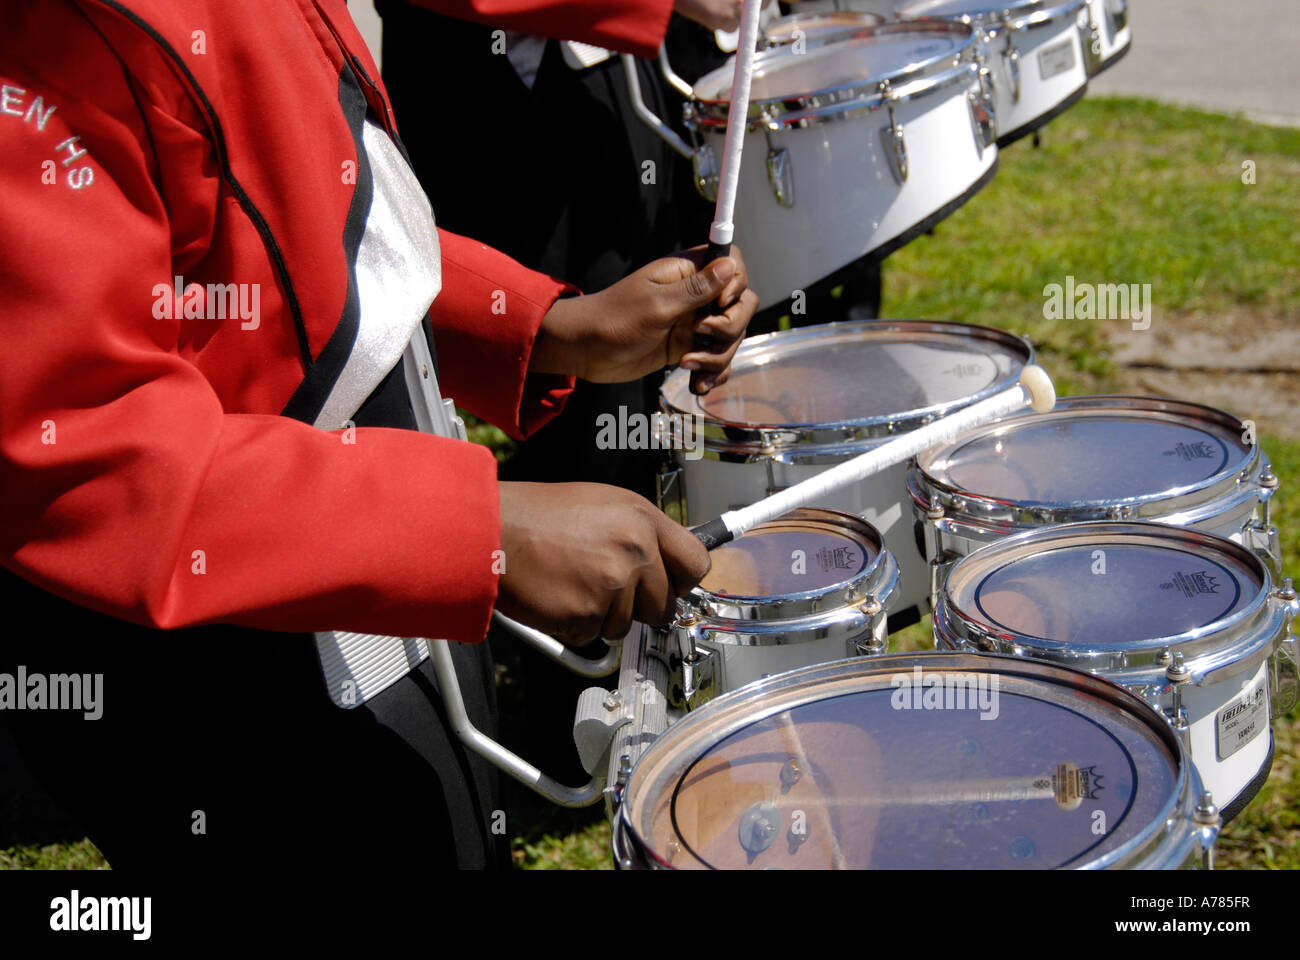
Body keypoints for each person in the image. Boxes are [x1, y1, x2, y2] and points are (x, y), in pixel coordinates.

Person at [0, 0, 756, 870]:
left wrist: (545, 328)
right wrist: (477, 530)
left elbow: (317, 231)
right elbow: (81, 450)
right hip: (235, 642)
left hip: (374, 553)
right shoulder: (45, 33)